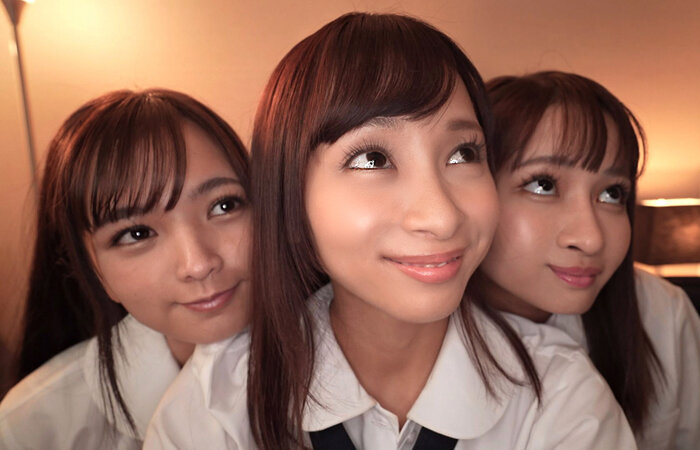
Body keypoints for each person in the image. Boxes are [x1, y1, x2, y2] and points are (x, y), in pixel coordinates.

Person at [145, 13, 635, 450]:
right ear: (289, 195)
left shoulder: (561, 396)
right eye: (372, 159)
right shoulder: (215, 406)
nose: (442, 217)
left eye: (463, 153)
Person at [474, 71, 700, 449]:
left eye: (612, 193)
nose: (591, 238)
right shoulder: (422, 334)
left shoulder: (656, 309)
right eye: (543, 185)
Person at [0, 88, 252, 449]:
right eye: (138, 234)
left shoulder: (335, 354)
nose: (198, 264)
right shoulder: (31, 426)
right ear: (91, 269)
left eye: (224, 206)